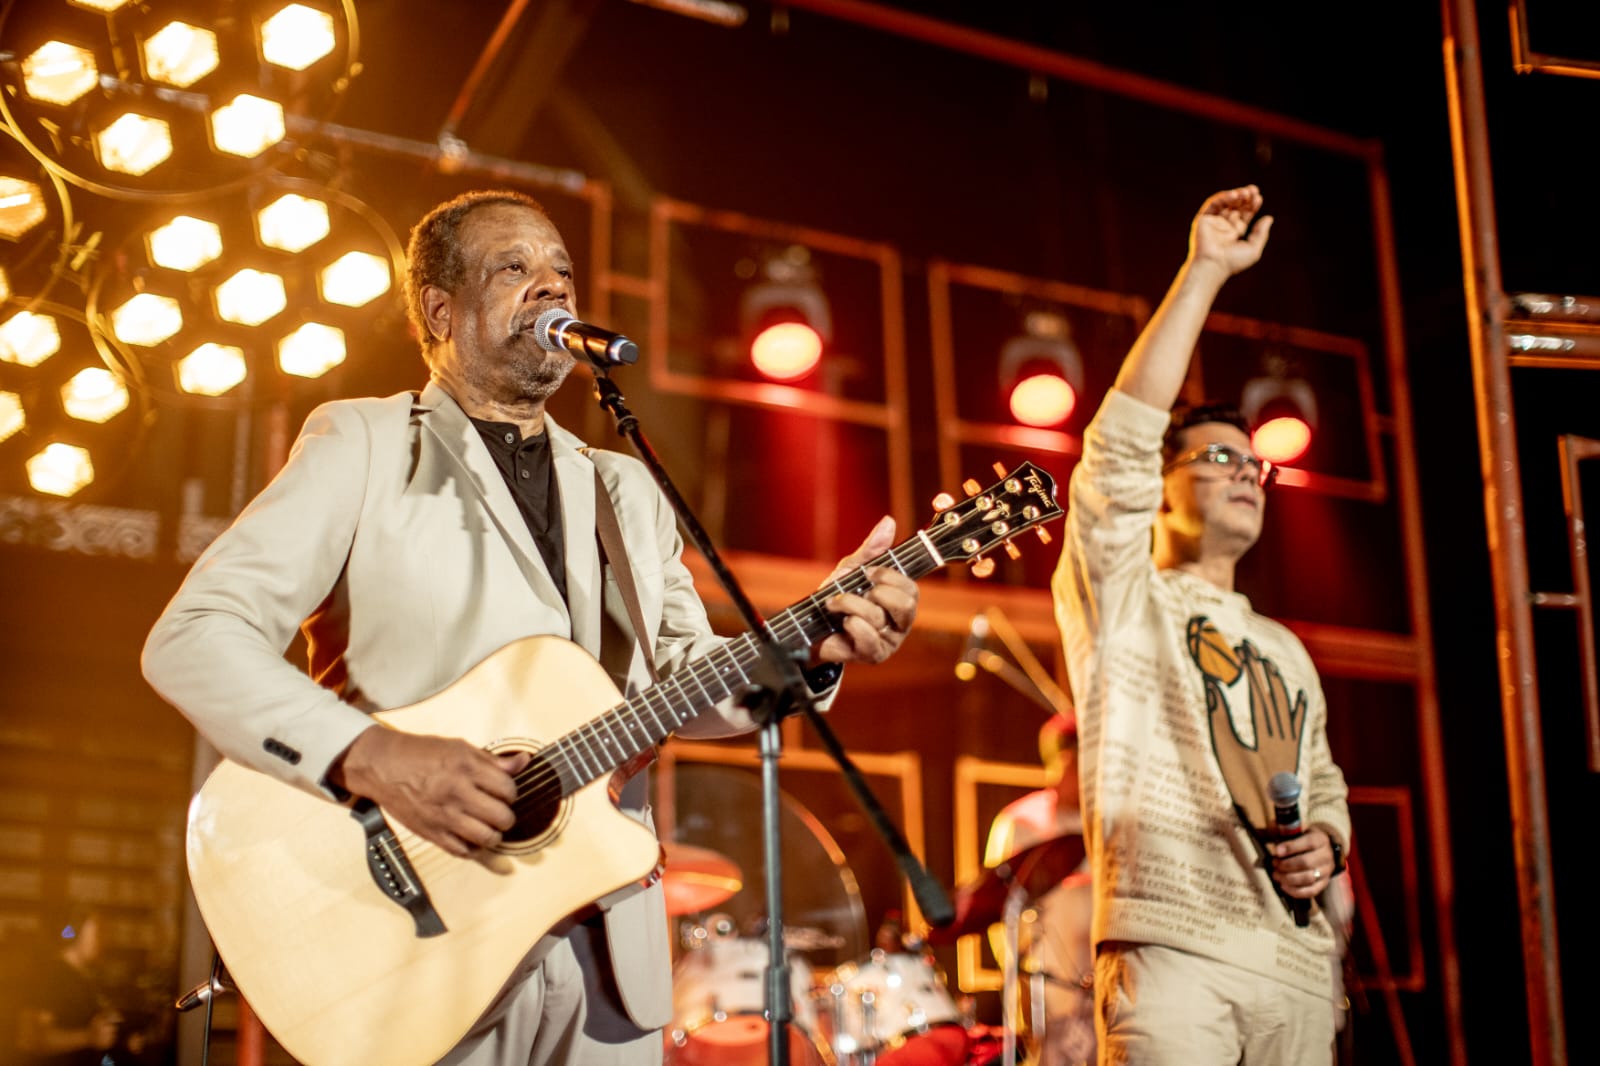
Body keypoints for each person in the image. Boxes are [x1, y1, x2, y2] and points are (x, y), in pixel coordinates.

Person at [141, 188, 920, 1066]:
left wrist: (813, 646)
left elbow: (686, 680)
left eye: (563, 274)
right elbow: (195, 634)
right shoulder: (361, 443)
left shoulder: (623, 489)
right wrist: (379, 758)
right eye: (514, 269)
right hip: (415, 937)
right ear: (441, 310)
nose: (552, 290)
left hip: (606, 949)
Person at [1051, 185, 1351, 1064]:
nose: (1247, 472)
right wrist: (1205, 269)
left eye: (1253, 460)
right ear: (1165, 487)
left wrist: (1328, 845)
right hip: (1174, 948)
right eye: (1217, 456)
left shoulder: (1288, 647)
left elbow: (1323, 780)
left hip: (1297, 965)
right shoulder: (1125, 594)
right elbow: (1117, 451)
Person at [983, 715, 1094, 1066]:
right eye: (1078, 762)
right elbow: (1004, 915)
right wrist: (1024, 984)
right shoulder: (1022, 822)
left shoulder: (1109, 821)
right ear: (1061, 762)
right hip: (1053, 996)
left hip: (1111, 989)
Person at [10, 911, 123, 1066]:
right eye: (97, 931)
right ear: (76, 933)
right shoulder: (53, 974)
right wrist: (89, 1036)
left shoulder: (86, 975)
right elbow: (38, 1038)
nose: (103, 939)